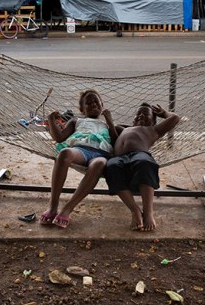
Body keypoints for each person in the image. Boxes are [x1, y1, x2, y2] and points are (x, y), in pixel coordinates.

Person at [41, 89, 120, 229]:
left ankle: (67, 209)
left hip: (102, 153)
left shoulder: (107, 125)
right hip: (81, 150)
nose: (93, 104)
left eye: (96, 101)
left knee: (100, 164)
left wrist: (110, 121)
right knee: (65, 153)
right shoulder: (76, 121)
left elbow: (115, 141)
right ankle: (53, 207)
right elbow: (59, 138)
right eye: (88, 103)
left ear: (102, 104)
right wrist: (51, 120)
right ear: (82, 109)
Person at [104, 103, 180, 232]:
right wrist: (110, 122)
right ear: (133, 119)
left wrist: (163, 113)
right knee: (111, 167)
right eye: (138, 113)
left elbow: (175, 118)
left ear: (153, 121)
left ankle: (148, 212)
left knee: (145, 164)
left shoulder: (153, 130)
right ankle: (134, 210)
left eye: (146, 114)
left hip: (139, 155)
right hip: (119, 158)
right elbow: (113, 137)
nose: (141, 115)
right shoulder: (122, 129)